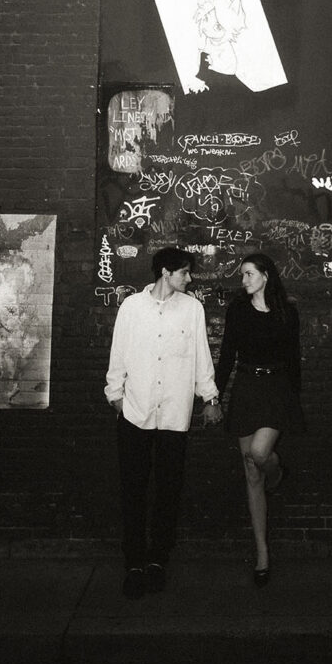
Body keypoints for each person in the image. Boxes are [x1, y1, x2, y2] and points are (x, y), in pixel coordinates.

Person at [105, 247, 223, 598]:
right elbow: (119, 351)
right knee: (134, 489)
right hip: (135, 412)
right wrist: (114, 393)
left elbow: (201, 355)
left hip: (174, 413)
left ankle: (158, 560)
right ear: (166, 272)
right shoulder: (131, 307)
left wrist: (210, 397)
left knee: (169, 490)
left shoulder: (192, 309)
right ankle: (134, 563)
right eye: (184, 272)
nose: (189, 278)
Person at [216, 252, 304, 587]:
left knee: (260, 453)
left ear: (266, 275)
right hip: (247, 387)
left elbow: (293, 357)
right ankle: (262, 553)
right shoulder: (238, 310)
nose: (244, 280)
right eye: (242, 275)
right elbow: (226, 355)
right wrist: (215, 396)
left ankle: (277, 471)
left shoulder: (286, 312)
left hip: (276, 387)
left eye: (250, 274)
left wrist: (293, 398)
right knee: (251, 472)